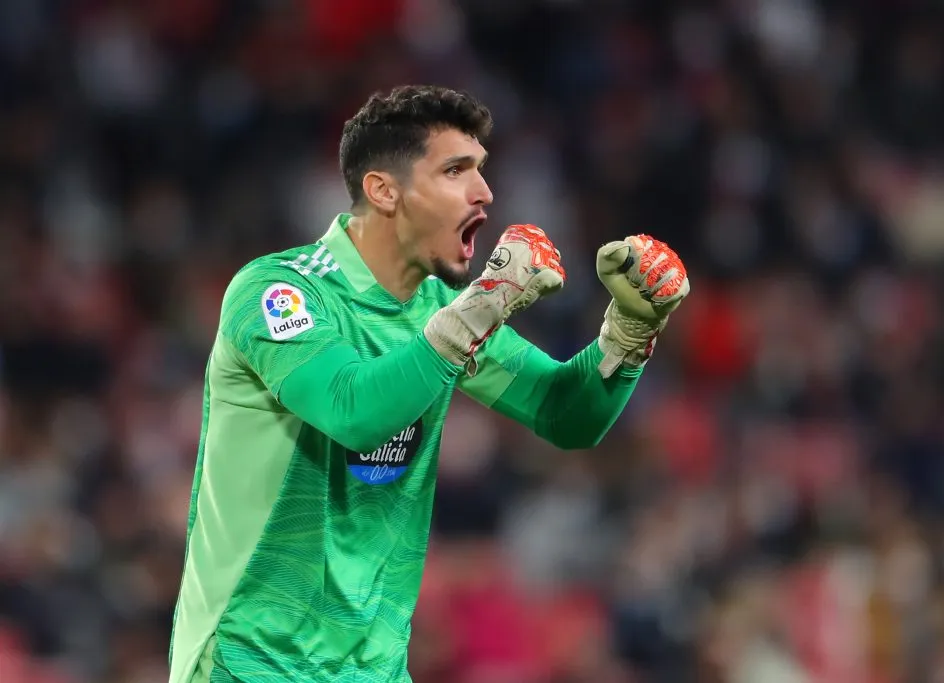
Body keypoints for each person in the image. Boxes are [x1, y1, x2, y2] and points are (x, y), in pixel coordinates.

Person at [168, 84, 690, 682]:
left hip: (375, 669)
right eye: (454, 170)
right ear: (384, 191)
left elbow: (563, 414)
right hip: (250, 658)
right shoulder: (277, 292)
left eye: (482, 171)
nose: (485, 192)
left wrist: (629, 332)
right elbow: (352, 410)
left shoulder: (440, 309)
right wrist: (482, 307)